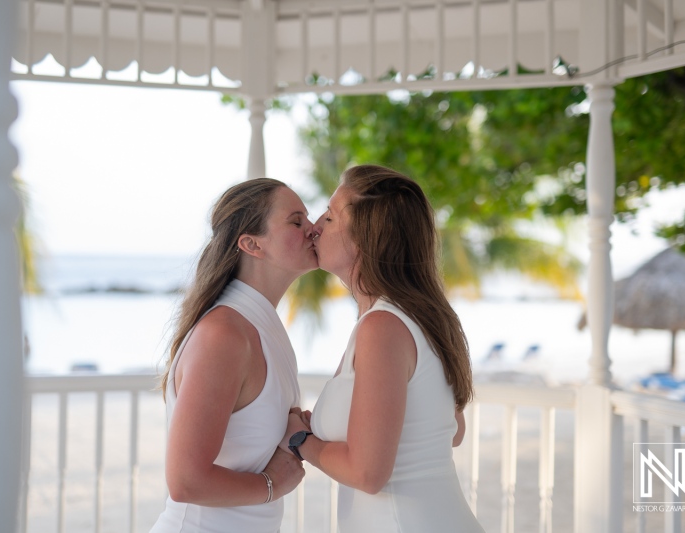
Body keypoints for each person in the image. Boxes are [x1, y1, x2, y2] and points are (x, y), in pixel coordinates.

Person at [283, 164, 485, 532]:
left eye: (330, 216)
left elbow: (368, 474)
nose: (315, 226)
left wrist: (300, 439)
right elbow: (451, 431)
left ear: (366, 238)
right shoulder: (420, 317)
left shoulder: (383, 328)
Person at [150, 178, 318, 533]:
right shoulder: (224, 335)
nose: (313, 228)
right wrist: (272, 485)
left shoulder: (260, 326)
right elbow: (185, 482)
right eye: (296, 221)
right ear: (252, 244)